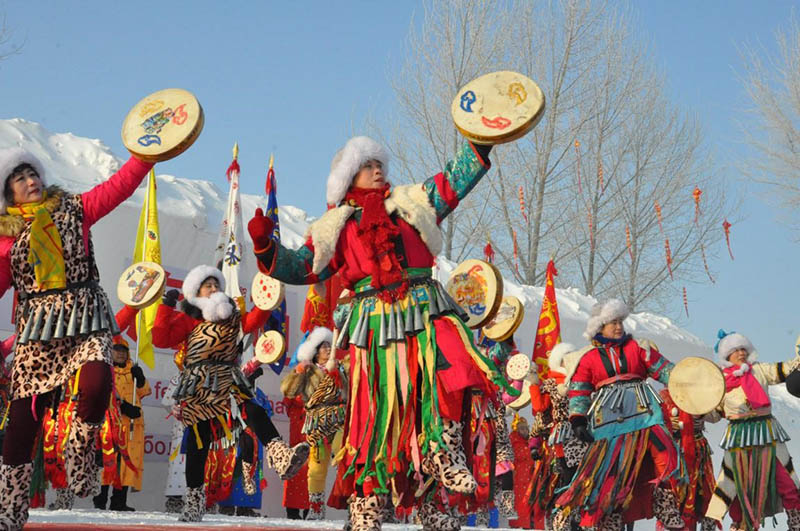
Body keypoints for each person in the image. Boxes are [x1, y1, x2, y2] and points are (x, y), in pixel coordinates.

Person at [248, 136, 510, 530]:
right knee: (374, 419)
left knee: (451, 372)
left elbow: (452, 182)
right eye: (367, 166)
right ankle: (367, 506)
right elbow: (302, 267)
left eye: (379, 165)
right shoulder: (334, 226)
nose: (377, 170)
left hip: (424, 310)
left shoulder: (413, 201)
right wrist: (264, 245)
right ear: (348, 176)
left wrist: (480, 143)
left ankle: (444, 455)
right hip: (375, 327)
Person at [0, 147, 154, 530]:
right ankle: (9, 509)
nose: (31, 181)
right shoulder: (5, 240)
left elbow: (118, 187)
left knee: (98, 383)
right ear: (7, 193)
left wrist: (147, 156)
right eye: (20, 178)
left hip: (85, 315)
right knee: (22, 423)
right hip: (38, 331)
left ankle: (80, 451)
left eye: (33, 174)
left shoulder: (75, 209)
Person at [151, 264, 310, 522]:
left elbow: (255, 320)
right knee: (198, 441)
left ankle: (281, 456)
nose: (214, 288)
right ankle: (194, 503)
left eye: (217, 284)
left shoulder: (231, 316)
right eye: (208, 285)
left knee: (252, 409)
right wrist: (165, 307)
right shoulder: (188, 319)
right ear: (196, 292)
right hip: (198, 384)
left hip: (227, 376)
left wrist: (267, 297)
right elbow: (160, 339)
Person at [554, 299, 684, 530]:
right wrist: (578, 419)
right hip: (609, 423)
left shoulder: (638, 348)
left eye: (620, 322)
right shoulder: (588, 358)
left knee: (665, 454)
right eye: (612, 323)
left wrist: (689, 380)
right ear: (600, 327)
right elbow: (579, 391)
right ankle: (609, 518)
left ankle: (665, 504)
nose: (618, 326)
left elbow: (666, 371)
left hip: (645, 415)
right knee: (612, 474)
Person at [704, 330, 800, 531]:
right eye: (736, 350)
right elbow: (714, 414)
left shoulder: (759, 371)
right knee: (732, 483)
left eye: (743, 349)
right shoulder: (720, 382)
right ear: (727, 355)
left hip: (767, 434)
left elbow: (785, 369)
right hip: (738, 438)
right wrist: (697, 408)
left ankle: (796, 521)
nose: (741, 353)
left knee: (786, 480)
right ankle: (732, 523)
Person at [281, 326, 347, 521]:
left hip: (339, 420)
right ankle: (316, 509)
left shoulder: (342, 368)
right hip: (317, 423)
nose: (328, 349)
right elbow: (288, 391)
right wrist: (298, 372)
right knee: (316, 469)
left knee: (344, 457)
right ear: (315, 352)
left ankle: (355, 503)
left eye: (329, 346)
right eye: (324, 347)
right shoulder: (308, 372)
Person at [92, 335, 150, 511]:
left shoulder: (133, 370)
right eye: (117, 350)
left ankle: (119, 501)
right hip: (110, 423)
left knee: (126, 462)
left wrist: (140, 378)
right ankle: (100, 499)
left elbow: (144, 391)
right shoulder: (105, 370)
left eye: (124, 350)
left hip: (132, 425)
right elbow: (100, 393)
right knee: (107, 460)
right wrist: (122, 406)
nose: (121, 354)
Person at [657, 388, 716, 531]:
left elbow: (715, 416)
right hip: (674, 451)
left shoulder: (701, 394)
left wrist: (701, 410)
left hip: (697, 451)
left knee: (699, 496)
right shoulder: (663, 396)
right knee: (672, 496)